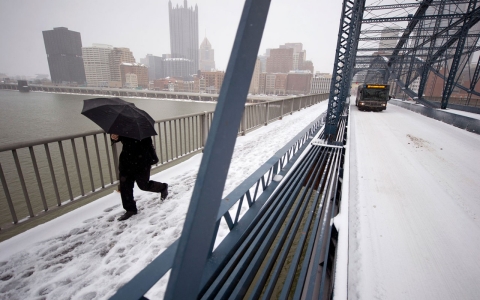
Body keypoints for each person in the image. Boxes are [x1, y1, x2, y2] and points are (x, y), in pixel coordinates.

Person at [111, 134, 168, 221]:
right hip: (126, 162)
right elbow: (119, 138)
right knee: (125, 187)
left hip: (142, 163)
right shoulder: (123, 127)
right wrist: (115, 137)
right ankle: (130, 209)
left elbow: (148, 144)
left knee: (143, 185)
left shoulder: (141, 130)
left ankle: (163, 187)